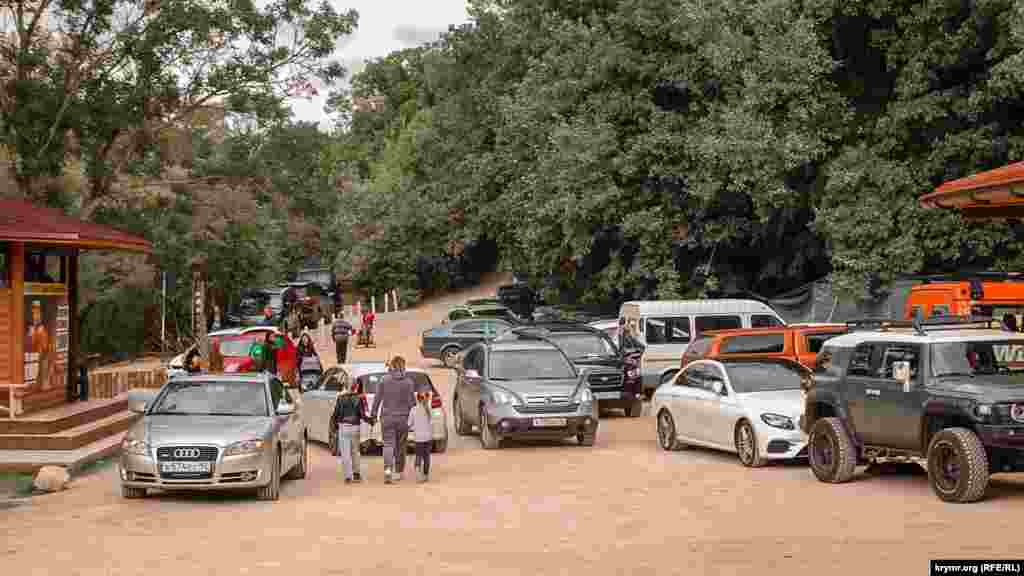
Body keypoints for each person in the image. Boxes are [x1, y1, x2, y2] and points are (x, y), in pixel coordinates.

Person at [370, 355, 416, 483]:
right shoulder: (408, 383)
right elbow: (412, 403)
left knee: (388, 445)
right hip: (403, 419)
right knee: (401, 447)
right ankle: (399, 472)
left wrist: (373, 414)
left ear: (392, 366)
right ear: (403, 366)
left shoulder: (384, 380)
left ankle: (388, 472)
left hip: (387, 418)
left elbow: (377, 399)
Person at [330, 378, 373, 483]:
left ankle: (348, 476)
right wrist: (371, 421)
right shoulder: (358, 398)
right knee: (355, 452)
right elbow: (362, 415)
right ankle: (356, 474)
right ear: (355, 386)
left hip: (343, 427)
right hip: (355, 427)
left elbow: (335, 414)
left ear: (345, 386)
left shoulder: (340, 398)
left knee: (345, 453)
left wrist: (334, 426)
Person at [408, 389, 434, 483]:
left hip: (418, 438)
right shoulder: (429, 409)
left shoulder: (413, 410)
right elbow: (431, 423)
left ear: (417, 398)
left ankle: (418, 472)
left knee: (418, 455)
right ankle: (425, 475)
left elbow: (409, 424)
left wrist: (412, 428)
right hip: (428, 437)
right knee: (427, 457)